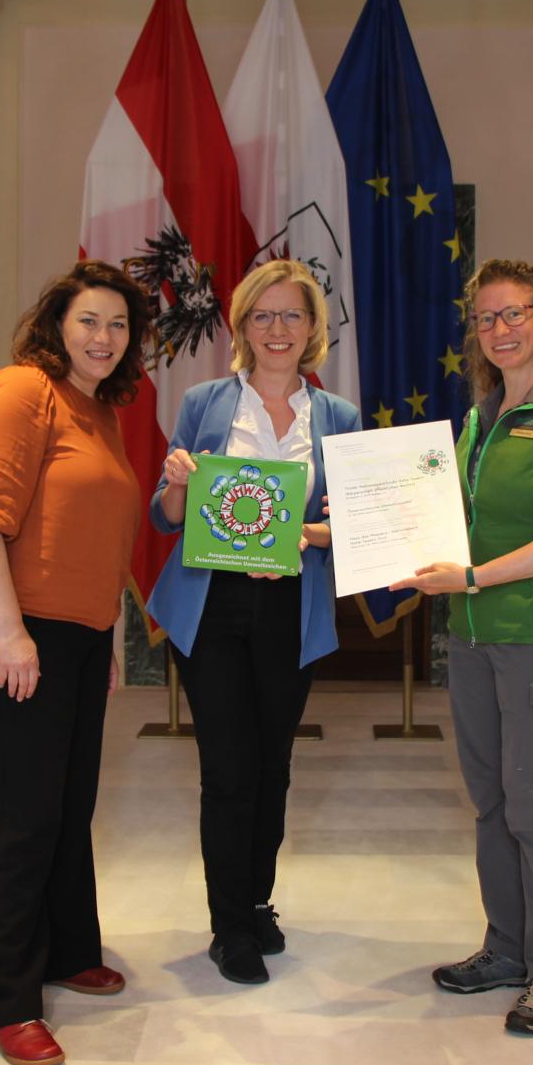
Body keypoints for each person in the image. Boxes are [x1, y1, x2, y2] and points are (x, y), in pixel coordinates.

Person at [392, 257, 533, 1036]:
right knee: (491, 803)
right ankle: (507, 947)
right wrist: (340, 534)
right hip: (476, 640)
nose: (501, 329)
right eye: (486, 319)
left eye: (515, 313)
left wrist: (474, 576)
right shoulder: (482, 418)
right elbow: (440, 518)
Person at [0, 260, 152, 1065]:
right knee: (24, 813)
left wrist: (96, 639)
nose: (104, 337)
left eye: (119, 325)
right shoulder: (20, 390)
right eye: (90, 321)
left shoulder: (96, 410)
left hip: (77, 634)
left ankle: (67, 950)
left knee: (70, 801)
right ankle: (13, 1000)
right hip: (16, 626)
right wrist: (11, 633)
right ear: (57, 325)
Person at [147, 259, 362, 985]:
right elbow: (167, 517)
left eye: (292, 316)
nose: (277, 330)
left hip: (291, 611)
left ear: (313, 331)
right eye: (263, 316)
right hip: (211, 607)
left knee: (274, 768)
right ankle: (229, 925)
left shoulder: (339, 419)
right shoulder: (207, 404)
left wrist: (310, 534)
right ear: (241, 327)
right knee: (230, 771)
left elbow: (352, 531)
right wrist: (178, 484)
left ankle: (257, 899)